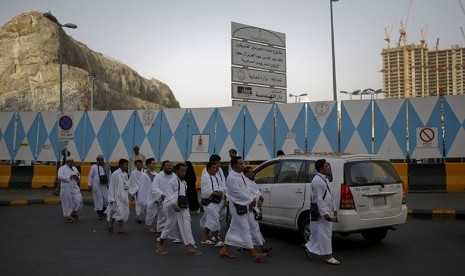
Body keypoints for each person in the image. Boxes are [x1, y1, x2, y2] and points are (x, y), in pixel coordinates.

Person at [219, 156, 267, 262]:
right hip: (237, 206)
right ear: (234, 165)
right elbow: (237, 193)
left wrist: (253, 198)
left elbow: (247, 189)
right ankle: (254, 253)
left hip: (244, 205)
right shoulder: (231, 177)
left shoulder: (240, 175)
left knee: (233, 228)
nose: (243, 165)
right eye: (240, 163)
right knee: (245, 229)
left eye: (242, 163)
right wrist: (250, 200)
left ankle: (224, 249)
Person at [156, 163, 202, 256]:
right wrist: (173, 204)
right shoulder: (172, 181)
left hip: (182, 207)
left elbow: (183, 195)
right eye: (182, 170)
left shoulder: (183, 182)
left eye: (185, 171)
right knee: (171, 224)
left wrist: (185, 205)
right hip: (173, 207)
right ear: (177, 171)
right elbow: (169, 194)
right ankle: (160, 243)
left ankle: (188, 246)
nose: (184, 173)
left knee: (186, 223)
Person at [303, 159, 340, 265]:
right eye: (326, 166)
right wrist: (325, 214)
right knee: (326, 234)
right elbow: (319, 199)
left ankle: (307, 247)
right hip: (322, 212)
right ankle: (328, 256)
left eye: (328, 165)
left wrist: (334, 208)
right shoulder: (317, 181)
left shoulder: (324, 179)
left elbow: (329, 195)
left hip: (327, 210)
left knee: (318, 233)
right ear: (320, 169)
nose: (328, 167)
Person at [243, 166, 272, 253]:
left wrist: (260, 197)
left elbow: (256, 192)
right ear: (246, 174)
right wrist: (256, 199)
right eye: (251, 172)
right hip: (249, 208)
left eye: (253, 172)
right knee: (254, 227)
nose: (253, 173)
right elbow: (248, 195)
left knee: (250, 228)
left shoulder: (251, 182)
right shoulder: (245, 183)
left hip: (254, 208)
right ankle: (262, 247)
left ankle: (245, 245)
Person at [199, 161, 225, 247]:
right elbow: (204, 193)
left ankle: (204, 238)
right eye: (214, 167)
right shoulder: (206, 177)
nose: (216, 169)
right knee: (214, 219)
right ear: (208, 168)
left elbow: (221, 186)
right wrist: (216, 193)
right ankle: (217, 239)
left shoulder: (216, 177)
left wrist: (221, 192)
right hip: (209, 202)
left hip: (218, 201)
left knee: (211, 218)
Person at [106, 158, 130, 234]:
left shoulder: (125, 174)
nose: (126, 166)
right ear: (120, 165)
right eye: (125, 164)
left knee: (124, 212)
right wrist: (111, 198)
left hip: (124, 196)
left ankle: (120, 228)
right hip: (117, 197)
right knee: (119, 212)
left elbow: (126, 185)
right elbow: (111, 186)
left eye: (127, 164)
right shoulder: (115, 174)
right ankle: (111, 221)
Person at [152, 160, 176, 235]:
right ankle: (160, 233)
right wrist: (161, 195)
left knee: (172, 217)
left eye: (171, 166)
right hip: (163, 200)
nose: (170, 167)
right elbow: (154, 188)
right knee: (162, 217)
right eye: (168, 165)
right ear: (163, 166)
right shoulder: (158, 176)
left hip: (172, 200)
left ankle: (170, 232)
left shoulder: (174, 176)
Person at [57, 158, 83, 223]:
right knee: (67, 203)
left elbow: (78, 175)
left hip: (74, 187)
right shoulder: (62, 168)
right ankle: (68, 216)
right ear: (68, 162)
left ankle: (74, 211)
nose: (73, 163)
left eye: (73, 162)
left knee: (78, 200)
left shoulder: (74, 168)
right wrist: (69, 177)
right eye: (71, 162)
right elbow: (59, 176)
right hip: (66, 188)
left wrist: (77, 177)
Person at [87, 154, 110, 220]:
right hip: (97, 186)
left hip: (105, 186)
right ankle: (100, 213)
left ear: (103, 160)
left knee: (107, 199)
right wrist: (89, 185)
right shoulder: (94, 166)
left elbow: (110, 176)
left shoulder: (106, 166)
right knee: (99, 200)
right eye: (98, 160)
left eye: (101, 159)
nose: (99, 161)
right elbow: (90, 176)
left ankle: (104, 210)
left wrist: (111, 186)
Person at [128, 159, 147, 223]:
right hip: (137, 190)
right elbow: (131, 182)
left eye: (140, 164)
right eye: (138, 164)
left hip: (144, 190)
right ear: (135, 165)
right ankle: (139, 216)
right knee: (138, 204)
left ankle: (143, 215)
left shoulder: (145, 172)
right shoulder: (133, 173)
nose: (139, 166)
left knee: (144, 203)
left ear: (142, 164)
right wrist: (132, 193)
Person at [143, 158, 158, 233]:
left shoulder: (157, 174)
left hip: (156, 196)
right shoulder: (144, 175)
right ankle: (149, 226)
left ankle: (158, 224)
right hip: (148, 196)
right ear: (148, 164)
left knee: (158, 211)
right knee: (150, 212)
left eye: (155, 163)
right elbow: (142, 187)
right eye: (153, 163)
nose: (154, 165)